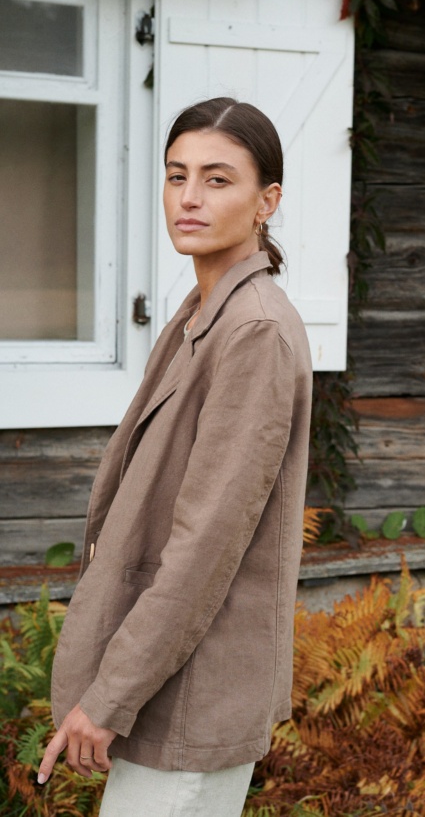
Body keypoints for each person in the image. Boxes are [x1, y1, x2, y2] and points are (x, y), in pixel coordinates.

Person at [37, 97, 313, 817]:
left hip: (196, 694)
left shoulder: (255, 332)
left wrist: (110, 696)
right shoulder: (197, 314)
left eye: (218, 180)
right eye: (175, 175)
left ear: (266, 201)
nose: (189, 198)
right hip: (170, 683)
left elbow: (203, 550)